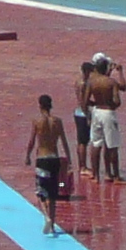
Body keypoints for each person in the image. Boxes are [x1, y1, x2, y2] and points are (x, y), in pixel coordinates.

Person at [27, 95, 72, 233]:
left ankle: (46, 216)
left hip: (42, 158)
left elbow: (32, 141)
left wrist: (28, 155)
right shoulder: (58, 121)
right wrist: (69, 160)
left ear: (40, 105)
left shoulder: (37, 121)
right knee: (53, 192)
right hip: (54, 158)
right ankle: (52, 224)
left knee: (41, 191)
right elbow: (64, 141)